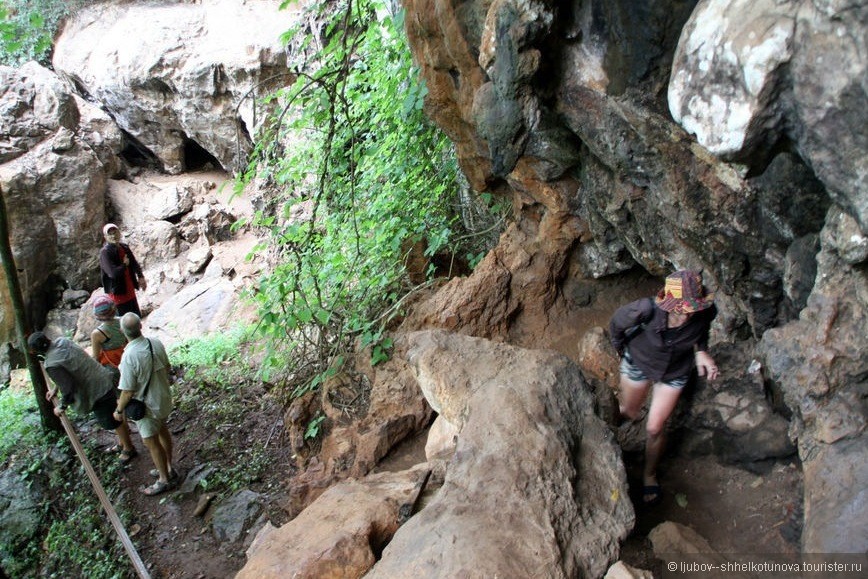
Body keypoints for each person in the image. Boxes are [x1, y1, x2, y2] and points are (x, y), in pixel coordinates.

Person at [609, 270, 719, 506]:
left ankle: (649, 473)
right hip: (639, 361)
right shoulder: (645, 309)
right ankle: (606, 440)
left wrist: (701, 351)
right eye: (682, 307)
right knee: (628, 411)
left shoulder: (705, 312)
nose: (688, 313)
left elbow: (703, 331)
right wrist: (622, 352)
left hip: (675, 371)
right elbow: (617, 325)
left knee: (655, 427)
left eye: (692, 307)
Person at [28, 331, 137, 463]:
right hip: (101, 377)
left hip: (96, 390)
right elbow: (70, 368)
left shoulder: (51, 363)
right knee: (113, 414)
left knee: (112, 420)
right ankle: (122, 442)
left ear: (37, 351)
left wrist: (61, 406)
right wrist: (55, 388)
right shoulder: (63, 341)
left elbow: (68, 387)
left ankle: (128, 448)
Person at [113, 313, 177, 496]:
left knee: (150, 441)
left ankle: (164, 479)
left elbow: (127, 391)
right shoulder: (155, 342)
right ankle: (168, 466)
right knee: (163, 430)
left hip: (147, 406)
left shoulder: (129, 357)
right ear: (140, 326)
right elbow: (167, 367)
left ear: (122, 331)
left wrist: (119, 410)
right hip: (163, 398)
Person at [99, 223, 146, 317]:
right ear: (105, 237)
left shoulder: (124, 247)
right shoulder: (105, 253)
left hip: (130, 291)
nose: (113, 236)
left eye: (115, 232)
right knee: (125, 323)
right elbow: (112, 273)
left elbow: (133, 263)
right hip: (118, 296)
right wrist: (124, 265)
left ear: (119, 233)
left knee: (136, 318)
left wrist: (140, 276)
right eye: (110, 234)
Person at [91, 295, 127, 368]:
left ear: (97, 314)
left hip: (112, 366)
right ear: (113, 308)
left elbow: (95, 357)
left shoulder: (97, 333)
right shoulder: (124, 320)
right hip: (128, 358)